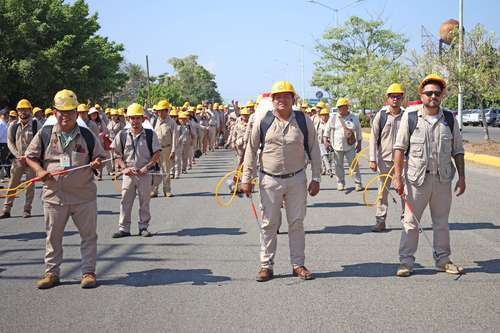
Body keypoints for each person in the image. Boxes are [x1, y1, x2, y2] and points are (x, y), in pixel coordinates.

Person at [241, 80, 321, 282]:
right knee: (269, 223)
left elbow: (314, 149)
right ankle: (266, 265)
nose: (282, 100)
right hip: (269, 180)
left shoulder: (304, 120)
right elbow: (250, 150)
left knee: (296, 223)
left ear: (293, 99)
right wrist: (246, 178)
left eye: (286, 96)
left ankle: (298, 264)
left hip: (297, 180)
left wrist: (317, 178)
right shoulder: (263, 121)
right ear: (273, 100)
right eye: (278, 97)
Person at [25, 89, 105, 289]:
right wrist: (40, 170)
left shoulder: (86, 134)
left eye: (70, 111)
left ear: (77, 113)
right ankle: (51, 274)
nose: (65, 115)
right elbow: (30, 156)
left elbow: (100, 157)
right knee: (53, 237)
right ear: (54, 112)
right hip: (54, 197)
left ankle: (88, 273)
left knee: (88, 236)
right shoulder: (44, 133)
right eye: (61, 111)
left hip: (83, 196)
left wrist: (97, 162)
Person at [392, 74, 466, 277]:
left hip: (442, 180)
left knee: (441, 222)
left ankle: (443, 260)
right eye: (429, 92)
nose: (433, 96)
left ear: (442, 95)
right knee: (410, 222)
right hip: (416, 180)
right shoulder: (411, 116)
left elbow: (457, 150)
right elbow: (399, 148)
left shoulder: (450, 119)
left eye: (437, 93)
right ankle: (406, 262)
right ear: (421, 94)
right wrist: (397, 177)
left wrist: (462, 177)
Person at [111, 103, 161, 238]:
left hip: (144, 174)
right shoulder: (122, 135)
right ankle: (124, 229)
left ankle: (143, 227)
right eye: (132, 118)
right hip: (129, 174)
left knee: (144, 201)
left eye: (137, 118)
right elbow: (116, 154)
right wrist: (124, 168)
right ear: (128, 119)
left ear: (143, 119)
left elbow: (157, 154)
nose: (135, 121)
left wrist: (147, 167)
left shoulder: (150, 135)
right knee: (125, 201)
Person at [368, 83, 406, 232]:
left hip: (404, 162)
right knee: (383, 192)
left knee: (404, 191)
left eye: (398, 96)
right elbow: (373, 137)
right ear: (387, 98)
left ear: (402, 98)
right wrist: (373, 159)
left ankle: (406, 220)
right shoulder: (381, 115)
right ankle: (380, 221)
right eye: (392, 96)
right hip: (384, 161)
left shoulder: (407, 115)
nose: (395, 99)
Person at [0, 99, 39, 219]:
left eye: (25, 109)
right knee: (12, 184)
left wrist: (27, 156)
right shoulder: (13, 125)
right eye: (20, 110)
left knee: (30, 185)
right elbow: (10, 142)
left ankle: (27, 209)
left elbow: (39, 142)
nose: (22, 112)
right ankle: (6, 209)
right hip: (17, 160)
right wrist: (18, 155)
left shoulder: (36, 125)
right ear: (17, 111)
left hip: (31, 160)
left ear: (30, 110)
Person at [324, 98, 363, 191]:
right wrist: (325, 141)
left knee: (354, 165)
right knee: (338, 166)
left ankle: (358, 183)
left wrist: (359, 143)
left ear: (347, 107)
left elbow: (358, 131)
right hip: (337, 146)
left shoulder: (354, 117)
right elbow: (327, 130)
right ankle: (340, 182)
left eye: (343, 107)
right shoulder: (333, 118)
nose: (341, 109)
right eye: (339, 107)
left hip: (350, 146)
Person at [151, 100, 177, 198]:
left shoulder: (171, 122)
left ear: (167, 111)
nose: (159, 113)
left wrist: (173, 150)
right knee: (155, 170)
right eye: (158, 111)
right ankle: (154, 190)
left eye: (162, 110)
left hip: (166, 149)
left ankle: (167, 190)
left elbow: (175, 137)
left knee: (166, 170)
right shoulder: (154, 121)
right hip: (155, 149)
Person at [0, 111, 10, 181]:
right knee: (2, 160)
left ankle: (2, 176)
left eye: (6, 115)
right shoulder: (1, 123)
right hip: (1, 143)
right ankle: (1, 177)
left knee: (4, 159)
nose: (6, 116)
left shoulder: (4, 123)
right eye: (4, 115)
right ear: (1, 115)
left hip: (5, 143)